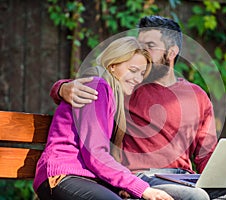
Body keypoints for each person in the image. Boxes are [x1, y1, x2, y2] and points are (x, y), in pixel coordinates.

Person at [49, 16, 226, 200]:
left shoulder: (197, 96)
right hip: (144, 177)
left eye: (150, 46)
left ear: (172, 52)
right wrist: (62, 88)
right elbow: (93, 86)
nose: (141, 51)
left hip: (187, 178)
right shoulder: (128, 87)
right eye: (139, 44)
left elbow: (206, 155)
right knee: (195, 198)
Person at [33, 36, 174, 200]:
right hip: (62, 176)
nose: (138, 79)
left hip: (86, 179)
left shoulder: (112, 95)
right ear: (113, 66)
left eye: (142, 73)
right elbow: (95, 153)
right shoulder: (97, 87)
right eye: (133, 70)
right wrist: (142, 189)